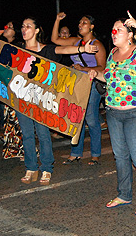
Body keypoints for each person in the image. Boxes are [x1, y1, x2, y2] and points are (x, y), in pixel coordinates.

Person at [88, 11, 136, 216]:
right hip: (113, 111)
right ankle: (124, 194)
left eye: (119, 30)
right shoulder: (112, 54)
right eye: (113, 30)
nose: (114, 32)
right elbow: (110, 77)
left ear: (130, 35)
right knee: (120, 156)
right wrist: (96, 74)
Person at [18, 17, 98, 185]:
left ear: (37, 30)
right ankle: (31, 167)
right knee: (26, 135)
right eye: (23, 26)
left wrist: (83, 48)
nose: (24, 29)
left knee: (43, 134)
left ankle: (46, 168)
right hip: (22, 98)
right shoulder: (16, 49)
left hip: (41, 100)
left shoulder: (46, 50)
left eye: (28, 26)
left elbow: (64, 50)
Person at [51, 12, 106, 166]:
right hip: (76, 85)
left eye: (85, 22)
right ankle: (76, 152)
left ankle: (95, 154)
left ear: (92, 26)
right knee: (76, 118)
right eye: (80, 22)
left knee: (91, 119)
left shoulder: (97, 45)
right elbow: (54, 40)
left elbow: (103, 67)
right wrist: (57, 20)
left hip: (91, 84)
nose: (80, 25)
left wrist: (83, 68)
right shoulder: (76, 42)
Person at [0, 21, 24, 159]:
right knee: (9, 119)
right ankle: (13, 149)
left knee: (18, 120)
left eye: (10, 27)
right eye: (5, 26)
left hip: (18, 88)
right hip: (5, 88)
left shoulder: (20, 46)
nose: (6, 28)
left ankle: (25, 150)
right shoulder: (0, 45)